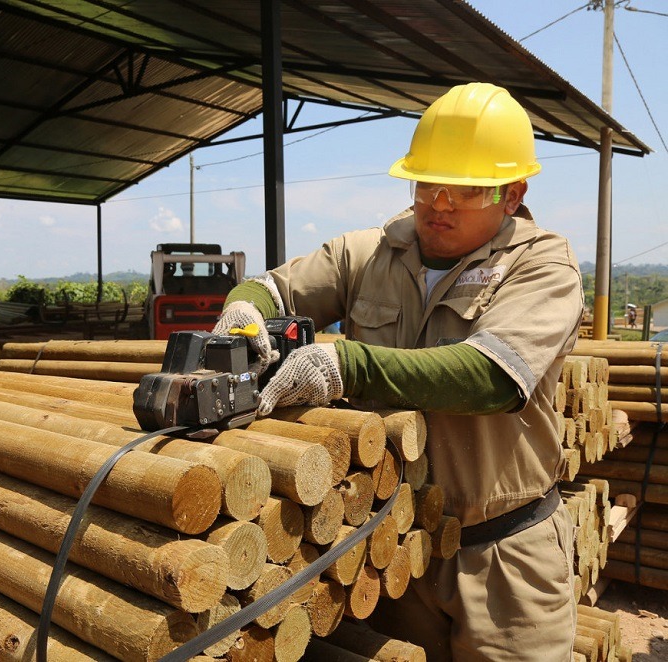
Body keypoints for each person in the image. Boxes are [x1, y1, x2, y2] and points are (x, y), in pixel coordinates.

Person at [214, 82, 582, 661]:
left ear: (512, 195)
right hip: (391, 548)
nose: (439, 201)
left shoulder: (541, 267)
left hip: (505, 559)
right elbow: (272, 286)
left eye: (466, 190)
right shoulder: (369, 253)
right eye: (427, 182)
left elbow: (491, 376)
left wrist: (347, 363)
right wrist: (244, 309)